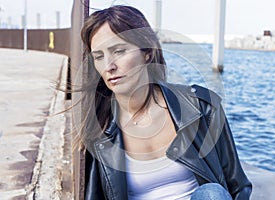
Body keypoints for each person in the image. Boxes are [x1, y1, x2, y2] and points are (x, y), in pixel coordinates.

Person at [77, 5, 252, 200]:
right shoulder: (99, 131)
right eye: (99, 57)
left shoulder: (201, 106)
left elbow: (238, 186)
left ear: (147, 52)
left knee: (212, 193)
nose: (109, 66)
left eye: (118, 51)